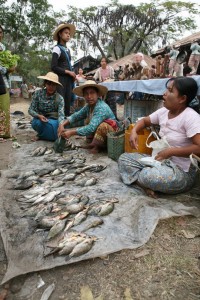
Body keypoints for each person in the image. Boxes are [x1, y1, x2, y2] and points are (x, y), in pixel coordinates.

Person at [118, 77, 200, 198]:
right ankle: (144, 184)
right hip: (160, 161)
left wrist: (171, 151)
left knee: (148, 175)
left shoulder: (191, 117)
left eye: (170, 91)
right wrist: (134, 131)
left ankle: (140, 180)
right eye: (166, 89)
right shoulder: (163, 112)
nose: (164, 93)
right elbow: (145, 121)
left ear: (182, 98)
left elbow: (199, 148)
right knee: (124, 159)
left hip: (182, 171)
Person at [58, 80, 118, 154]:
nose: (89, 96)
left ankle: (98, 146)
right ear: (83, 96)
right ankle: (94, 143)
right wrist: (62, 124)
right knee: (87, 120)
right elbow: (76, 116)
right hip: (99, 133)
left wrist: (71, 132)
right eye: (86, 94)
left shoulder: (101, 107)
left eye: (92, 93)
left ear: (98, 94)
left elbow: (91, 128)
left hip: (113, 135)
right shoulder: (88, 106)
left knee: (103, 126)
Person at [28, 72, 65, 141]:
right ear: (45, 83)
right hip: (40, 120)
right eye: (49, 84)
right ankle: (46, 135)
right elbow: (30, 110)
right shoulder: (37, 94)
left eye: (54, 85)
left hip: (53, 120)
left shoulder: (60, 98)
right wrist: (39, 116)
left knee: (54, 126)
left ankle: (41, 136)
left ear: (56, 86)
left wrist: (61, 125)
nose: (51, 87)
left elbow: (61, 115)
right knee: (36, 124)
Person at [51, 23, 76, 116]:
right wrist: (68, 72)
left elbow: (69, 65)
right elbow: (53, 67)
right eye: (66, 33)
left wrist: (72, 75)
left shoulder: (67, 50)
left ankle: (65, 124)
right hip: (60, 80)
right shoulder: (57, 49)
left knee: (68, 102)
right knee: (61, 102)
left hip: (69, 80)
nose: (68, 35)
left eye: (69, 33)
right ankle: (58, 124)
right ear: (60, 34)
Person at [0, 25, 15, 139]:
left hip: (4, 82)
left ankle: (4, 133)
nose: (0, 34)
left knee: (4, 107)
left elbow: (7, 62)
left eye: (1, 32)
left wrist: (12, 67)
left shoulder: (3, 47)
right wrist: (7, 69)